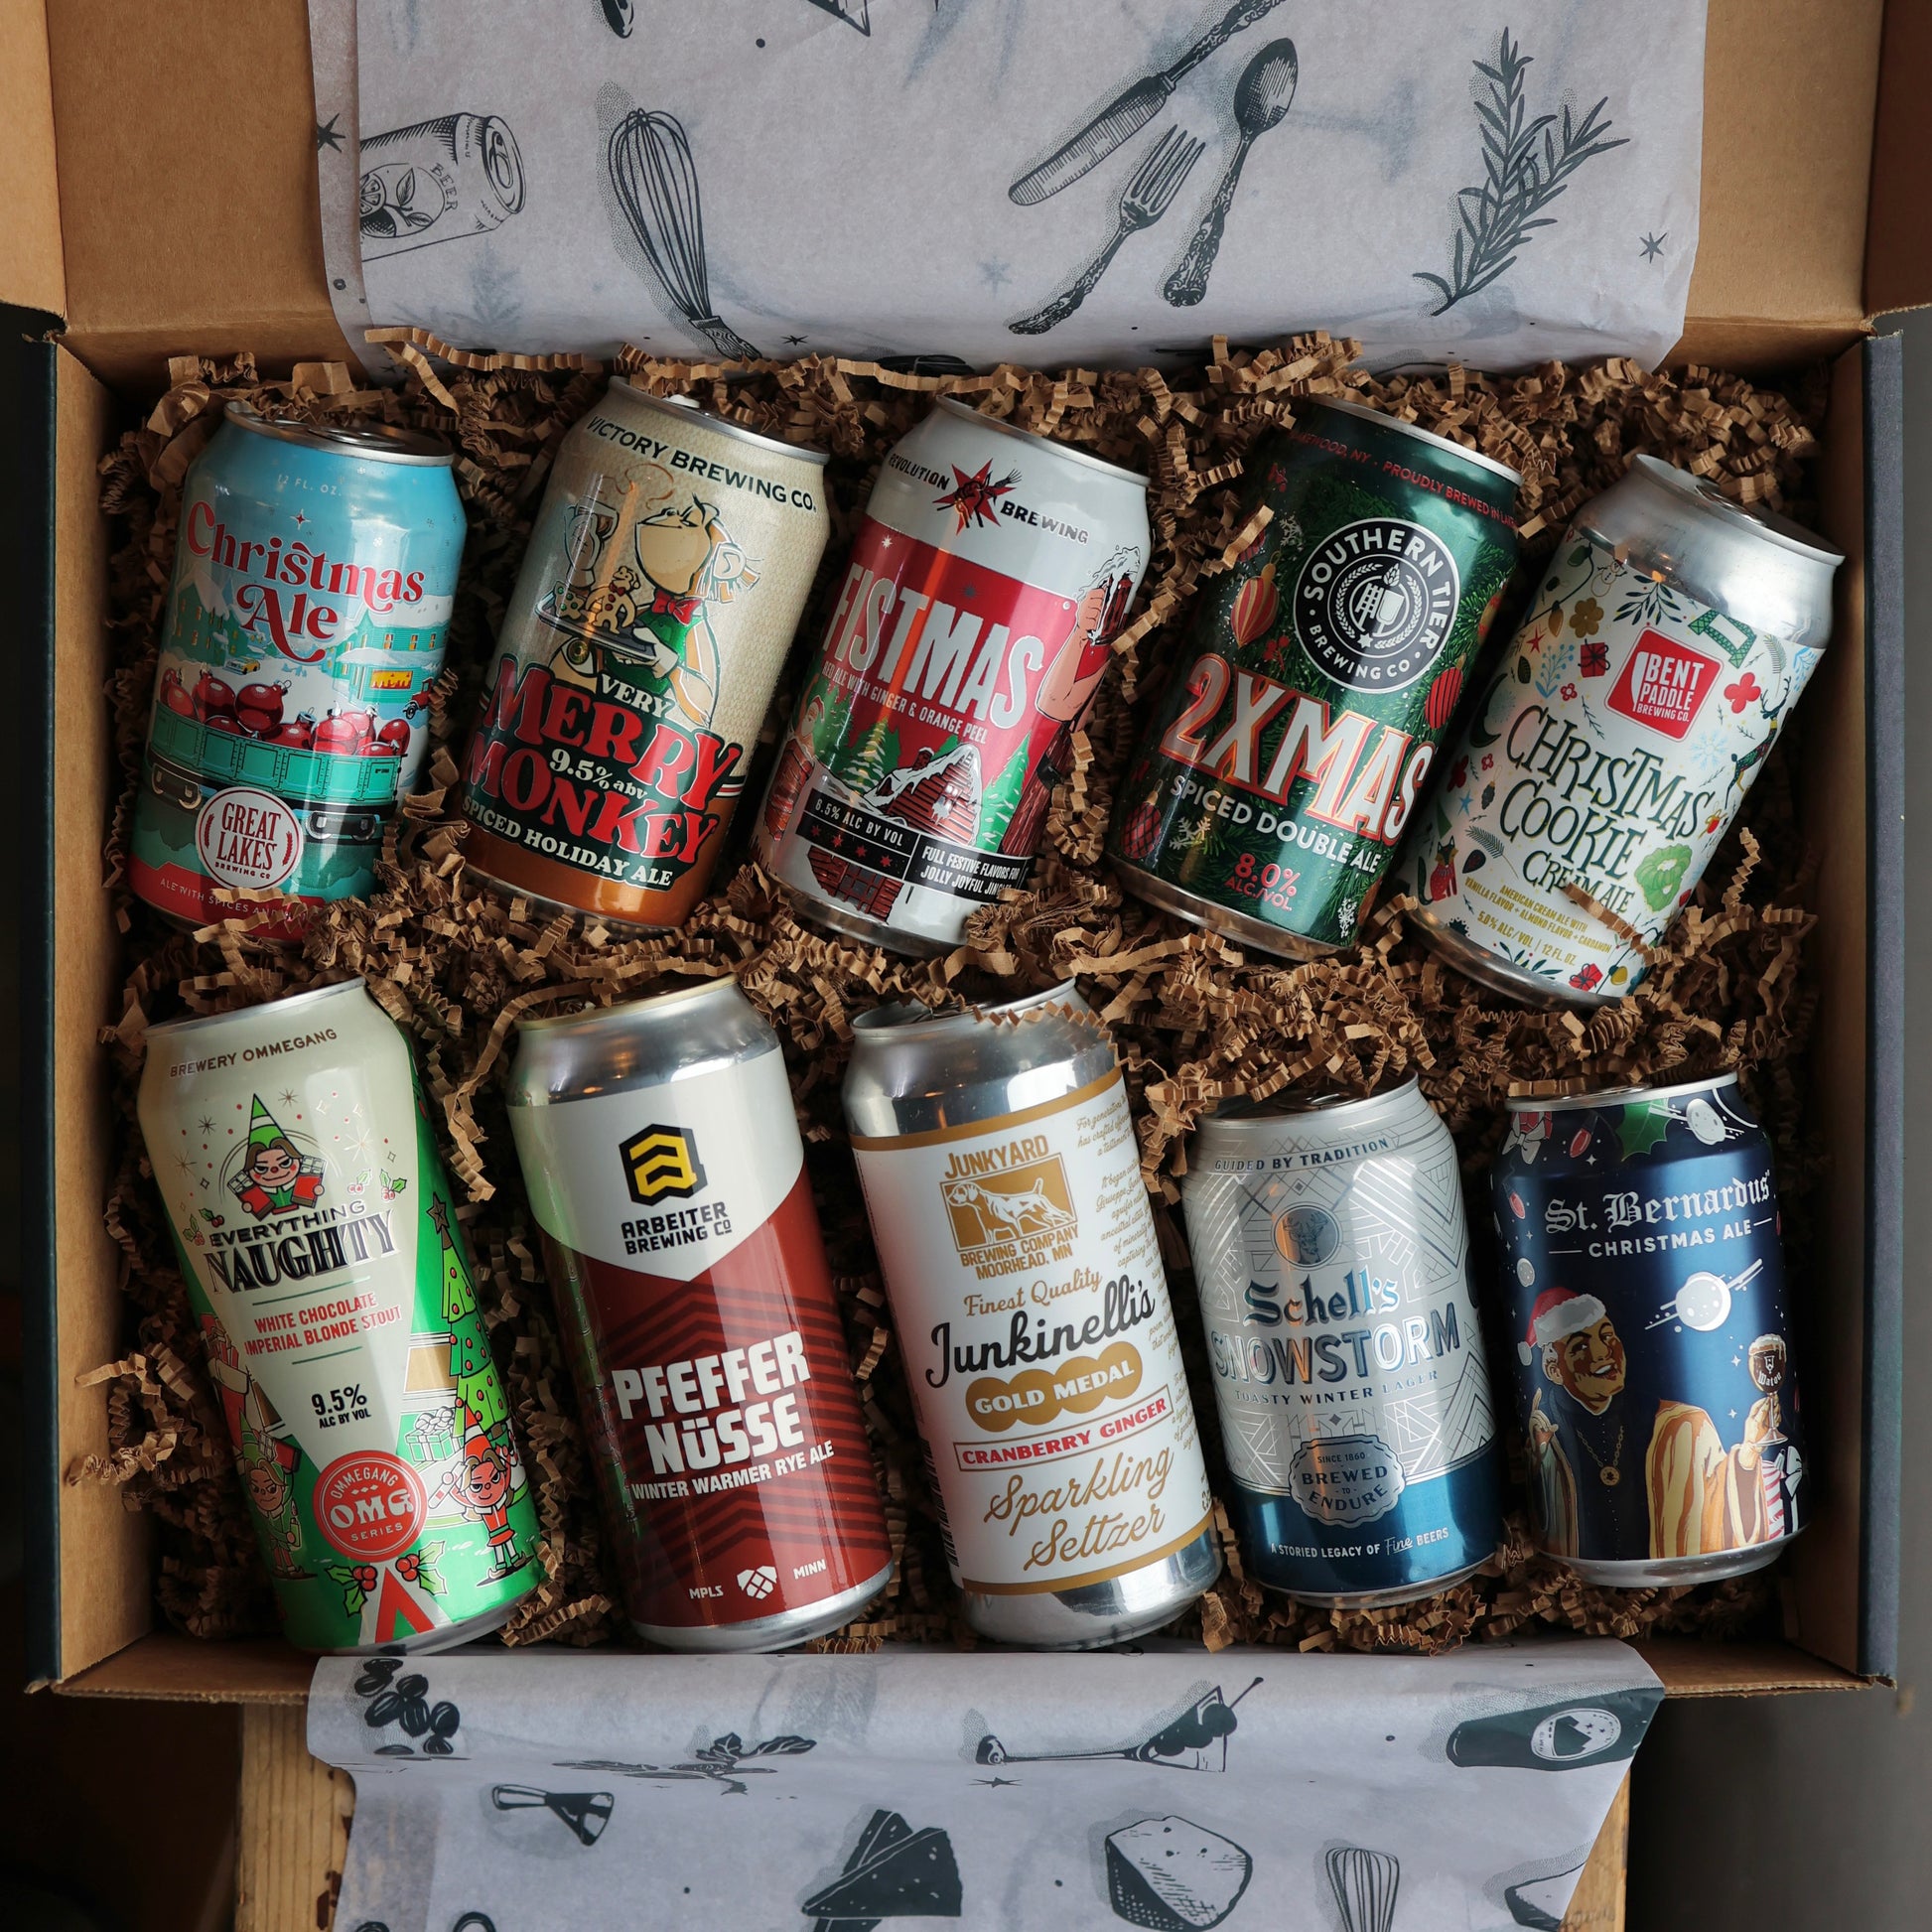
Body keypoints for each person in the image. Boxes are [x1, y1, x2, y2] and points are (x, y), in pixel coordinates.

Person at [1519, 1288, 1647, 1558]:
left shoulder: (1657, 1416)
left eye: (1607, 1336)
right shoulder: (1544, 1428)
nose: (1602, 1353)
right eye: (1580, 1347)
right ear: (1553, 1370)